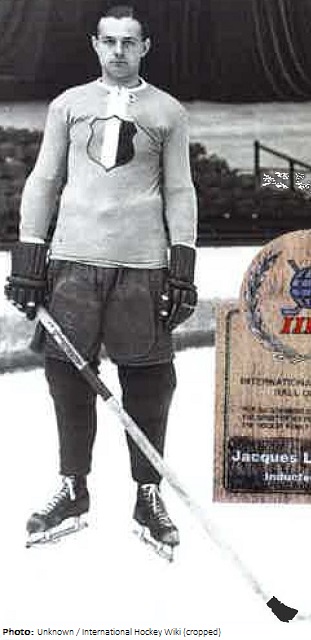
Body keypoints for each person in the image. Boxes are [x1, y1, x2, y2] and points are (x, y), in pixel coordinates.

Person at [5, 3, 197, 553]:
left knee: (150, 382)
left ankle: (148, 494)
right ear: (95, 44)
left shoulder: (168, 112)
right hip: (73, 263)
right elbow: (45, 178)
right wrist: (29, 255)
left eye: (128, 42)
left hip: (142, 265)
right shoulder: (68, 105)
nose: (118, 51)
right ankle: (73, 489)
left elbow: (180, 189)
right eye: (109, 41)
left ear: (145, 47)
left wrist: (182, 265)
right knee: (67, 378)